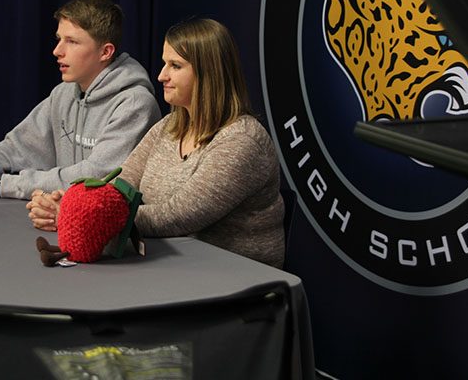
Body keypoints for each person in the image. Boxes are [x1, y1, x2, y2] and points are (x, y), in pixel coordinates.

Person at [28, 18, 285, 267]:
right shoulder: (168, 126)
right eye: (164, 64)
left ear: (209, 73)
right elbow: (120, 186)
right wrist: (78, 203)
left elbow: (178, 217)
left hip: (232, 281)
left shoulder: (242, 141)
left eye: (175, 65)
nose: (161, 76)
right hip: (171, 266)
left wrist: (85, 216)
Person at [0, 0, 161, 199]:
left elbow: (97, 177)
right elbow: (21, 144)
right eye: (59, 39)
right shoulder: (64, 92)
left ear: (105, 52)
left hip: (114, 232)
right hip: (61, 214)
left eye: (72, 42)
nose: (57, 51)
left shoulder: (135, 104)